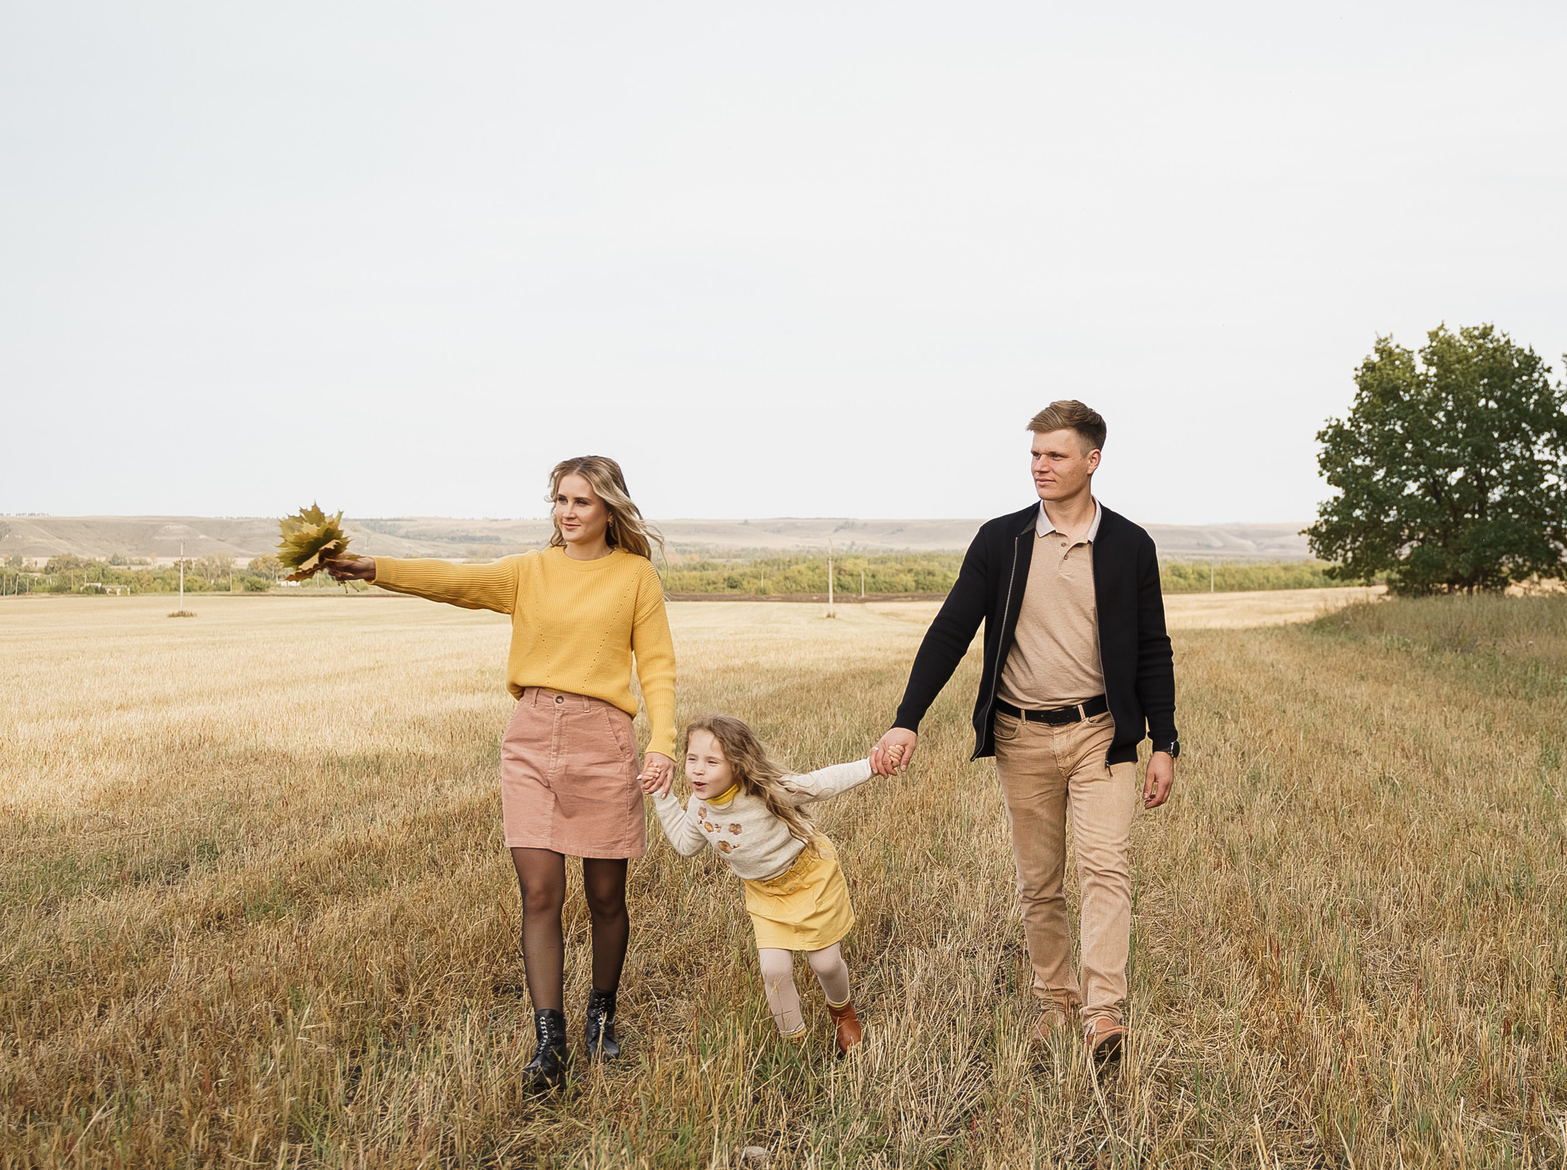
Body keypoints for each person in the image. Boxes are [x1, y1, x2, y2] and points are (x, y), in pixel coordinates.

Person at [321, 456, 676, 1096]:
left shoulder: (635, 578)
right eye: (560, 500)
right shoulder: (527, 573)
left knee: (604, 896)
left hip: (604, 740)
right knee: (540, 893)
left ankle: (601, 1013)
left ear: (609, 510)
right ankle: (551, 1040)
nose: (567, 513)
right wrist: (374, 569)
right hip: (533, 736)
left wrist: (663, 743)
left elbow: (657, 666)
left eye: (582, 502)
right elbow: (450, 580)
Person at [872, 399, 1177, 1067]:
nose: (1040, 465)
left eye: (1056, 454)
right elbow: (951, 631)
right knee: (1040, 881)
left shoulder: (1129, 545)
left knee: (1105, 868)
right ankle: (1055, 1002)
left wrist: (1165, 741)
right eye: (1035, 453)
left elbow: (1153, 646)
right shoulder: (1001, 540)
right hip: (1021, 736)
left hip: (1103, 734)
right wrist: (907, 718)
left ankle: (1103, 1016)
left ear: (1092, 461)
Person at [651, 715, 875, 1054]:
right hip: (764, 892)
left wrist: (871, 765)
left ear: (738, 765)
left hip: (809, 877)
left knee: (826, 963)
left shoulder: (765, 790)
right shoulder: (700, 807)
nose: (697, 770)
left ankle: (842, 1012)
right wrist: (662, 797)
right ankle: (794, 1043)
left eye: (711, 762)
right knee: (774, 971)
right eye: (692, 759)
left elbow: (822, 783)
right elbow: (686, 846)